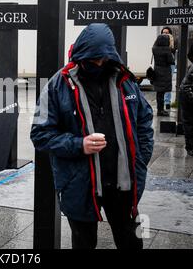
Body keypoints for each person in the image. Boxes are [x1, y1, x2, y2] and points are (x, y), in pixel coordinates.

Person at [30, 23, 154, 249]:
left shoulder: (125, 81)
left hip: (124, 183)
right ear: (81, 54)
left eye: (103, 59)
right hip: (80, 185)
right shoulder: (59, 85)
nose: (98, 64)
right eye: (93, 59)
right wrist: (79, 145)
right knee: (84, 243)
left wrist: (141, 159)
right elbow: (40, 134)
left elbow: (145, 119)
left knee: (131, 242)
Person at [152, 34, 175, 116]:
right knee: (162, 92)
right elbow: (171, 61)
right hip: (165, 72)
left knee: (159, 93)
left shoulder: (154, 49)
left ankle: (159, 109)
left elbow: (154, 44)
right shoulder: (167, 49)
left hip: (157, 71)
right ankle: (161, 110)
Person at [161, 27, 176, 110]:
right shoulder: (159, 42)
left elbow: (173, 52)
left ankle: (167, 102)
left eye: (167, 32)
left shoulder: (173, 42)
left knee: (168, 82)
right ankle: (162, 102)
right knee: (161, 83)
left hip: (170, 63)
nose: (165, 34)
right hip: (161, 62)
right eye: (163, 32)